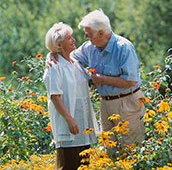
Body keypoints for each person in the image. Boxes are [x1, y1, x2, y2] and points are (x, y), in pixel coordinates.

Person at [47, 9, 145, 148]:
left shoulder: (124, 47)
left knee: (130, 148)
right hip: (106, 104)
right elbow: (69, 57)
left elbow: (131, 81)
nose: (86, 36)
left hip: (128, 102)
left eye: (88, 34)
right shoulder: (89, 47)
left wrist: (102, 79)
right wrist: (52, 54)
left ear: (101, 33)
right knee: (109, 148)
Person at [43, 22, 98, 170]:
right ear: (59, 45)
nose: (74, 40)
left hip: (82, 125)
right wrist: (69, 119)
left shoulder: (75, 63)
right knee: (67, 165)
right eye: (69, 38)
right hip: (69, 125)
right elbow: (55, 96)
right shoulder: (54, 67)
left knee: (83, 166)